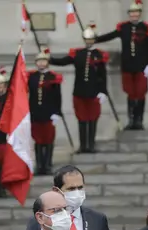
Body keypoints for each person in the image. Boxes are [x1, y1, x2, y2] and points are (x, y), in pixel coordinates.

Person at [93, 0, 148, 130]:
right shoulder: (124, 28)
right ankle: (131, 120)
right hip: (127, 65)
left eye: (136, 12)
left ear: (139, 14)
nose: (134, 15)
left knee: (140, 92)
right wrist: (95, 38)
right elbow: (111, 35)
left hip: (141, 66)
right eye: (131, 13)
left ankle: (139, 120)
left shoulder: (146, 28)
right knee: (130, 92)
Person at [50, 25, 110, 153]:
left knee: (92, 118)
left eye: (91, 39)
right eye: (87, 39)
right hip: (80, 91)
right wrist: (49, 59)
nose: (89, 42)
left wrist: (103, 91)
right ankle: (83, 145)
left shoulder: (99, 55)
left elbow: (102, 75)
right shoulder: (78, 54)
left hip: (94, 92)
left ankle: (91, 144)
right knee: (82, 119)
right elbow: (63, 61)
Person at [28, 48, 64, 176]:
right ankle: (39, 165)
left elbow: (57, 96)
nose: (41, 63)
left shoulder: (53, 77)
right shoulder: (31, 76)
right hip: (35, 113)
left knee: (48, 140)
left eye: (43, 61)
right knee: (38, 140)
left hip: (49, 113)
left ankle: (48, 164)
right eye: (39, 61)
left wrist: (57, 112)